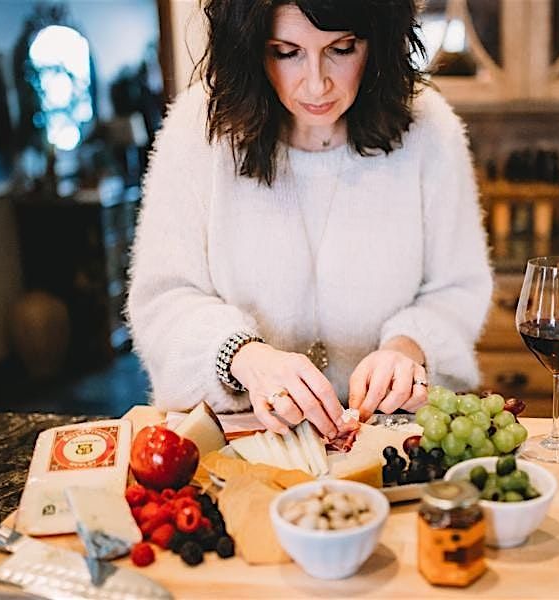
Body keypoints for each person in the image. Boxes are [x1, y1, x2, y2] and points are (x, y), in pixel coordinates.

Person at [127, 0, 492, 440]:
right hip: (237, 439)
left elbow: (458, 287)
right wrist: (241, 356)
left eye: (342, 49)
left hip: (390, 439)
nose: (317, 84)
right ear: (250, 48)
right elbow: (162, 299)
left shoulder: (429, 129)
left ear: (378, 41)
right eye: (286, 52)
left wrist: (408, 346)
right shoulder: (198, 129)